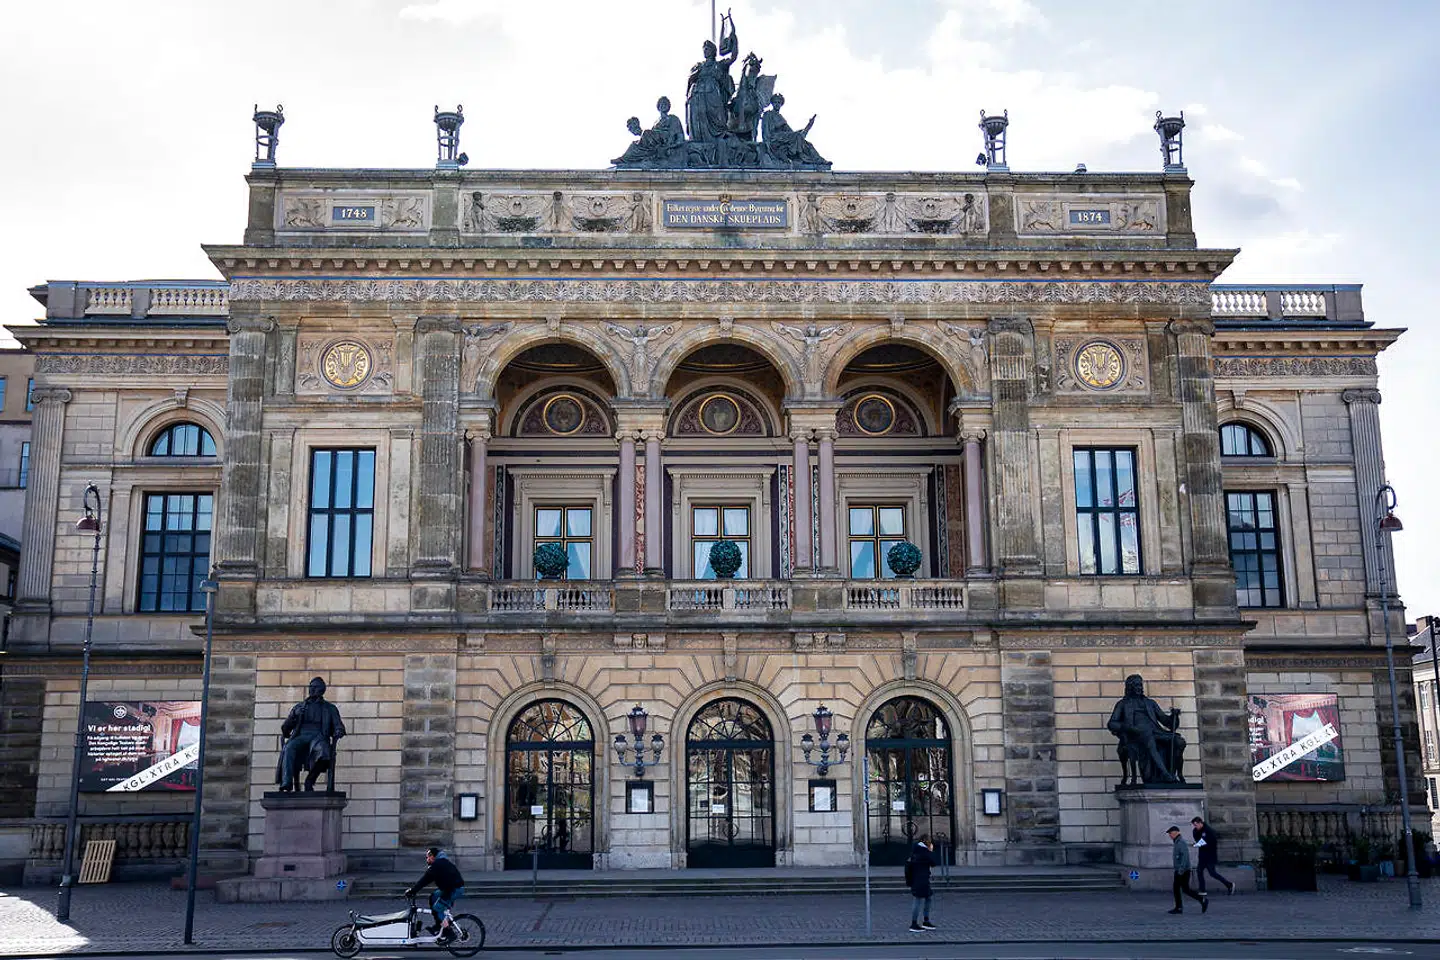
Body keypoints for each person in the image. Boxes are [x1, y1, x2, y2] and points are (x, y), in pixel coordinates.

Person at [404, 847, 466, 944]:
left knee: (438, 909)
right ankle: (438, 924)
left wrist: (413, 891)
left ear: (432, 856)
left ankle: (450, 934)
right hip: (448, 888)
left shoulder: (437, 865)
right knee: (433, 897)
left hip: (454, 889)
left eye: (427, 857)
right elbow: (427, 879)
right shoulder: (440, 862)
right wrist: (414, 890)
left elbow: (425, 880)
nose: (426, 860)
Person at [1166, 825, 1208, 915]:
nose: (1169, 835)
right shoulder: (1177, 842)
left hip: (1183, 870)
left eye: (1170, 833)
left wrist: (1180, 870)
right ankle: (1181, 906)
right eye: (1169, 834)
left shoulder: (1181, 842)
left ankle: (1180, 907)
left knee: (1180, 889)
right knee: (1182, 889)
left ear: (1176, 833)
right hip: (1181, 869)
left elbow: (1185, 857)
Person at [1191, 816, 1235, 894]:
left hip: (1210, 856)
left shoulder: (1208, 830)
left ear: (1200, 823)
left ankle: (1229, 884)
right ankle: (1202, 890)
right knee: (1199, 871)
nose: (1195, 826)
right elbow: (1197, 839)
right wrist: (1198, 842)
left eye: (1196, 825)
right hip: (1202, 856)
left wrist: (1200, 843)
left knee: (1212, 873)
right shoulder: (1196, 831)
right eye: (1194, 825)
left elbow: (1210, 842)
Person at [906, 835, 937, 932]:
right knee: (918, 900)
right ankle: (914, 923)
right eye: (929, 841)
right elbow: (933, 862)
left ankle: (925, 921)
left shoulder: (915, 851)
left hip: (917, 879)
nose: (930, 843)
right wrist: (930, 850)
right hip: (922, 879)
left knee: (928, 898)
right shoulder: (924, 852)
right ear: (925, 841)